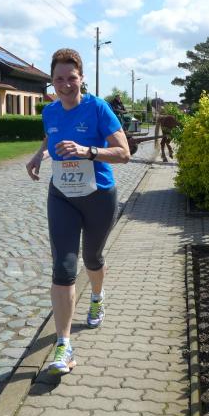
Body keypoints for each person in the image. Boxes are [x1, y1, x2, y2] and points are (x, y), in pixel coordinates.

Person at [26, 48, 131, 375]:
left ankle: (97, 296)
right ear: (52, 81)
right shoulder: (50, 111)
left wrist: (87, 151)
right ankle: (64, 344)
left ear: (81, 78)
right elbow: (51, 137)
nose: (65, 85)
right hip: (62, 196)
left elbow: (124, 152)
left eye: (71, 78)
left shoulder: (98, 108)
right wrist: (39, 155)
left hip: (99, 195)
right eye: (59, 79)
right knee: (63, 267)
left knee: (92, 258)